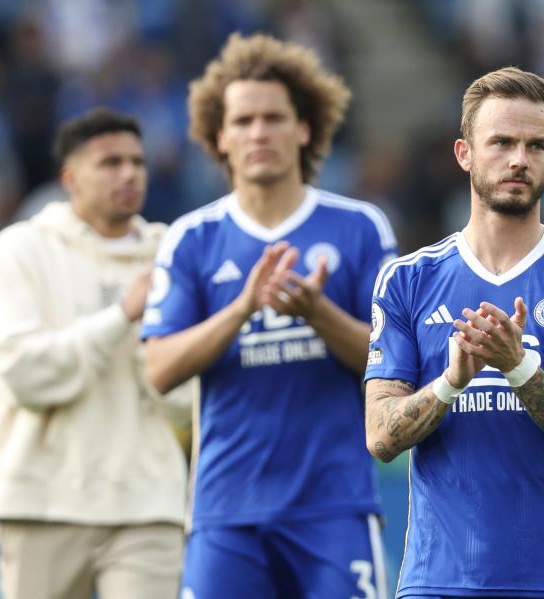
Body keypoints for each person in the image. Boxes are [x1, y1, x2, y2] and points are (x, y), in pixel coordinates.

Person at [141, 33, 397, 598]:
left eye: (275, 118)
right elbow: (157, 368)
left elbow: (396, 364)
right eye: (244, 120)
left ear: (304, 127)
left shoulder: (359, 228)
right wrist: (239, 309)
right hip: (226, 511)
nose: (260, 132)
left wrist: (317, 313)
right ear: (220, 137)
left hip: (334, 507)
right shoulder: (192, 238)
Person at [364, 66, 544, 598]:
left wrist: (518, 366)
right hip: (438, 582)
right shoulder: (408, 279)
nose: (518, 160)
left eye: (536, 146)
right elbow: (380, 437)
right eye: (501, 142)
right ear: (464, 154)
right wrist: (450, 381)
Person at [0, 107, 195, 599]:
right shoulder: (20, 250)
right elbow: (24, 376)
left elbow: (187, 399)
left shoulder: (173, 255)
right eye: (111, 162)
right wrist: (121, 317)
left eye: (137, 162)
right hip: (41, 502)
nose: (129, 174)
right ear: (70, 178)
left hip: (149, 502)